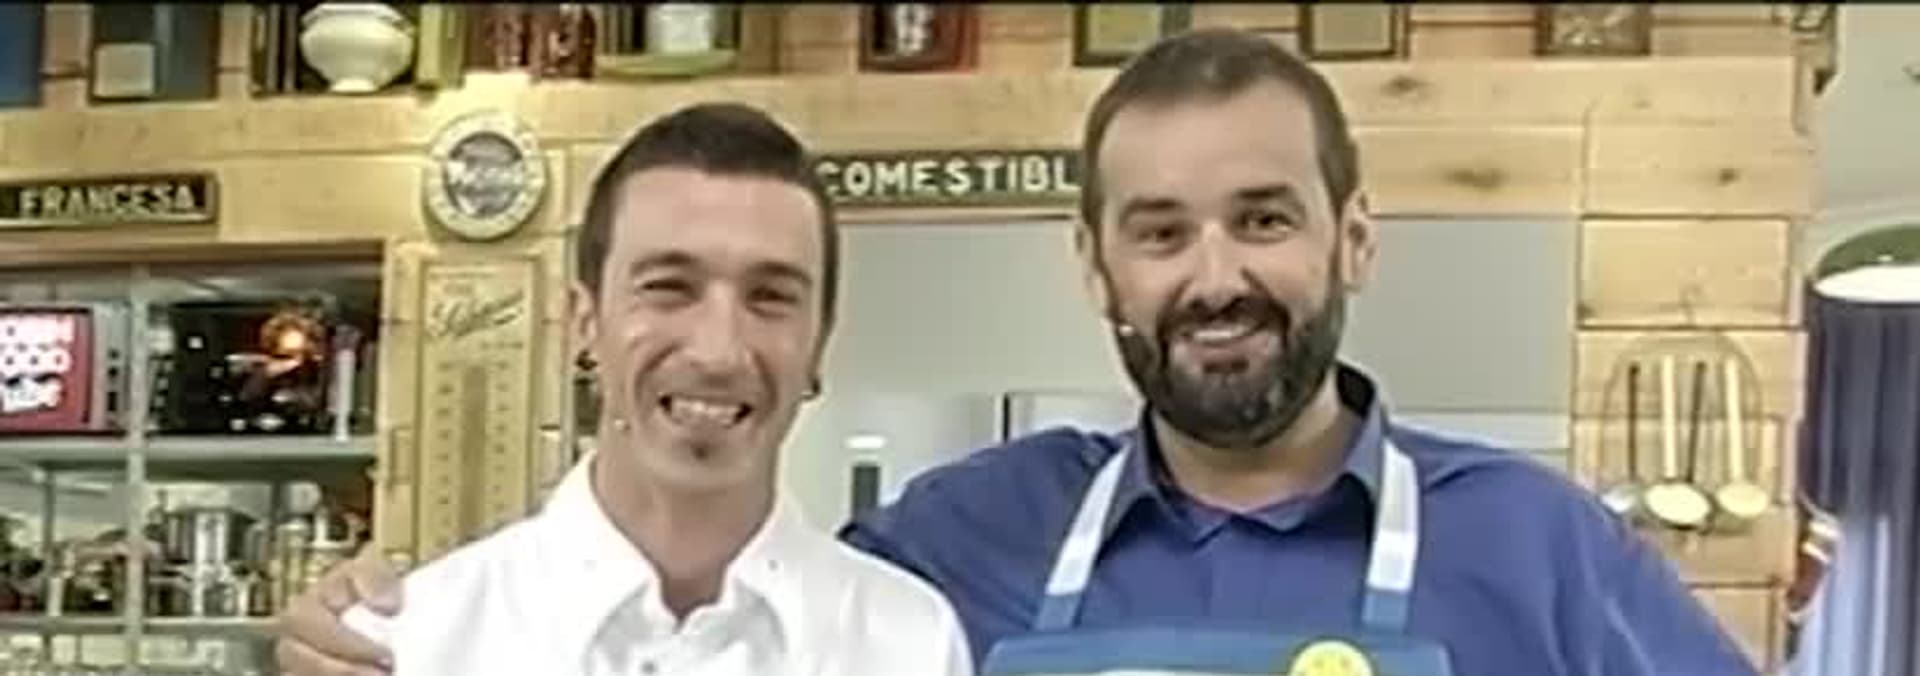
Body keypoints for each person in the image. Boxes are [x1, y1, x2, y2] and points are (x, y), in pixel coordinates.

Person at [276, 29, 1758, 676]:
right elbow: (698, 553)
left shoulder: (1544, 549)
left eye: (1264, 219)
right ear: (1097, 265)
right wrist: (364, 618)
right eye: (1161, 232)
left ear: (1352, 239)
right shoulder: (957, 550)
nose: (1217, 278)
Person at [272, 102, 971, 675]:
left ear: (819, 342)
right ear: (586, 323)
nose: (718, 351)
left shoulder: (908, 641)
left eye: (770, 297)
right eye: (668, 287)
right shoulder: (415, 641)